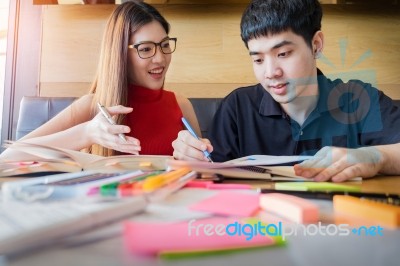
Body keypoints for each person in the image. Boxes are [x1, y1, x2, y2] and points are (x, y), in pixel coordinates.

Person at [172, 0, 400, 182]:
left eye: (283, 54)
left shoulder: (358, 99)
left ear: (316, 45)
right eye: (258, 59)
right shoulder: (237, 107)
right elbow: (210, 175)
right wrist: (191, 155)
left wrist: (375, 157)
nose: (271, 72)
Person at [1, 0, 200, 159]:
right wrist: (86, 133)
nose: (160, 58)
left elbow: (207, 171)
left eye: (165, 45)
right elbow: (9, 156)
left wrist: (197, 160)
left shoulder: (181, 105)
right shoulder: (92, 106)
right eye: (146, 49)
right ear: (120, 54)